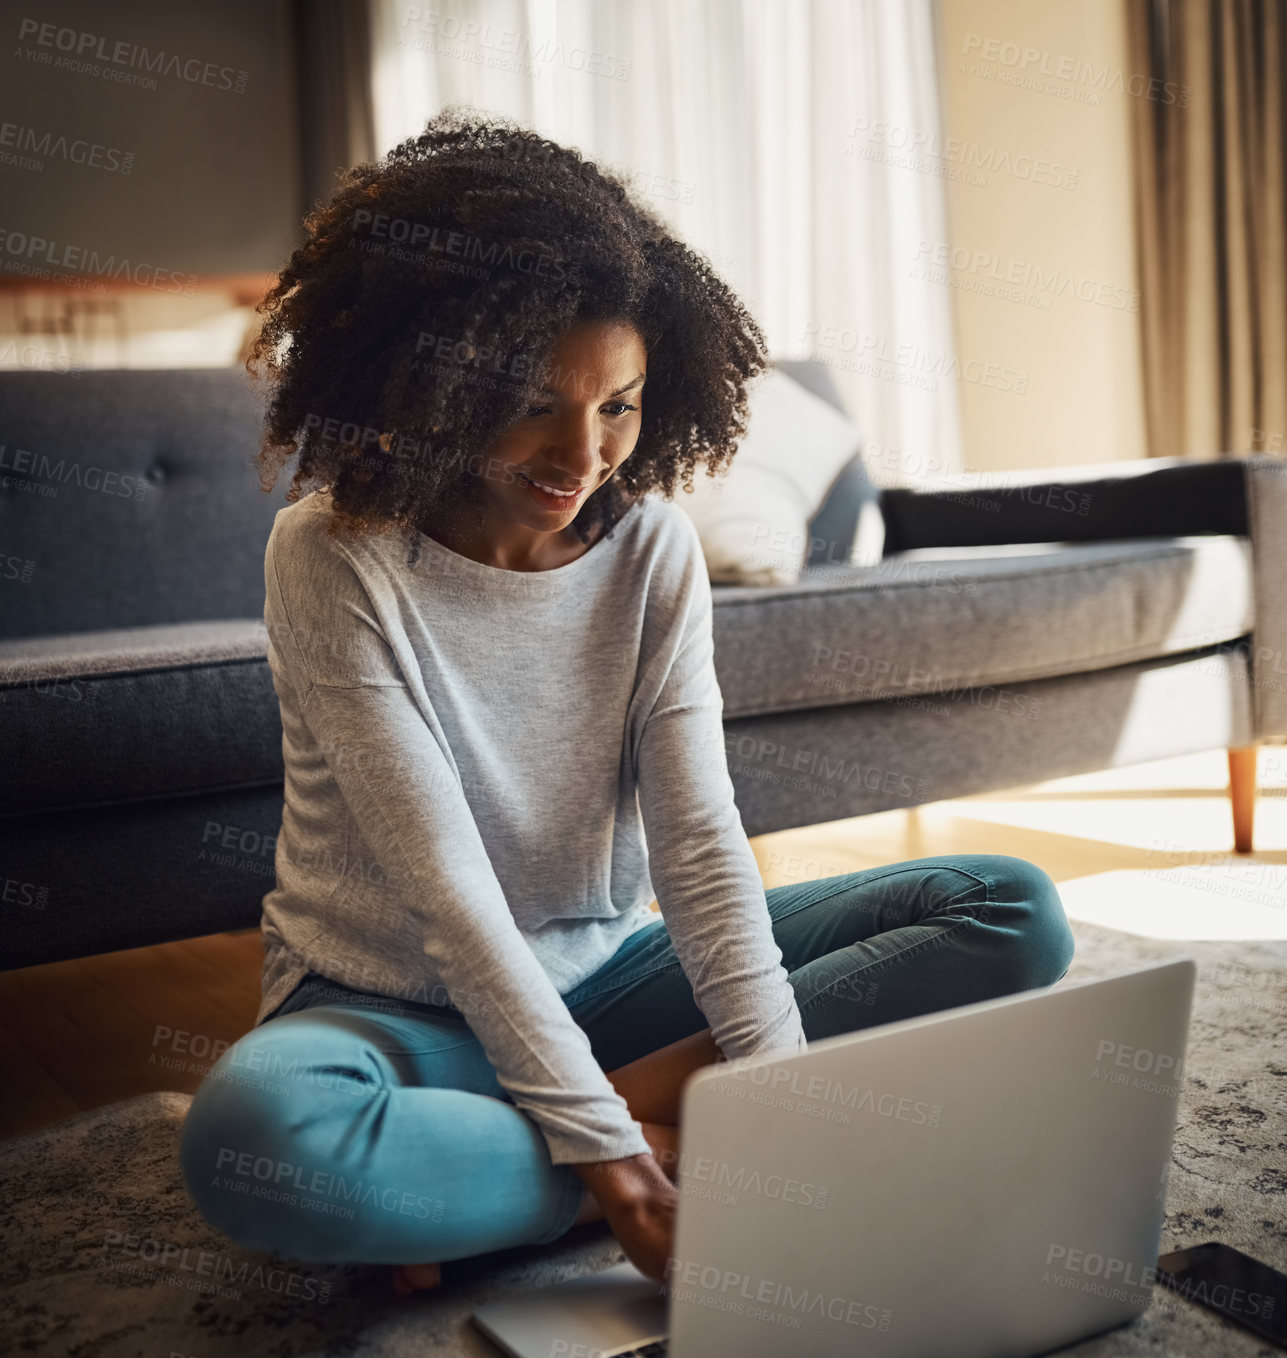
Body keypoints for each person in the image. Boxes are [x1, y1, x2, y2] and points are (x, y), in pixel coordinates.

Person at [179, 107, 1075, 1295]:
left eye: (620, 404)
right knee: (257, 1147)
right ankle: (640, 1138)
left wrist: (787, 1101)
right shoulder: (333, 553)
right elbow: (446, 887)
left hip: (609, 979)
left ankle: (531, 1163)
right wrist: (610, 1151)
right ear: (429, 380)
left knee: (1009, 908)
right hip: (392, 1008)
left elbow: (700, 845)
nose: (584, 452)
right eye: (533, 402)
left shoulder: (652, 548)